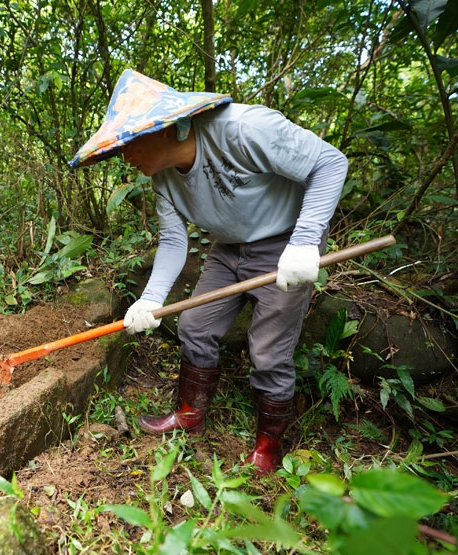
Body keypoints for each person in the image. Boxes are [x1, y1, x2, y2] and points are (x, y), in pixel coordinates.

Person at [69, 69, 348, 475]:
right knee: (195, 326)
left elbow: (329, 162)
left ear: (165, 129)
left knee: (269, 351)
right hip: (227, 248)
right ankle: (189, 413)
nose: (124, 156)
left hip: (284, 243)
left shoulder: (243, 129)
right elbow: (172, 241)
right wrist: (151, 298)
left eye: (129, 142)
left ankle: (268, 447)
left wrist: (305, 241)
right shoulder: (162, 179)